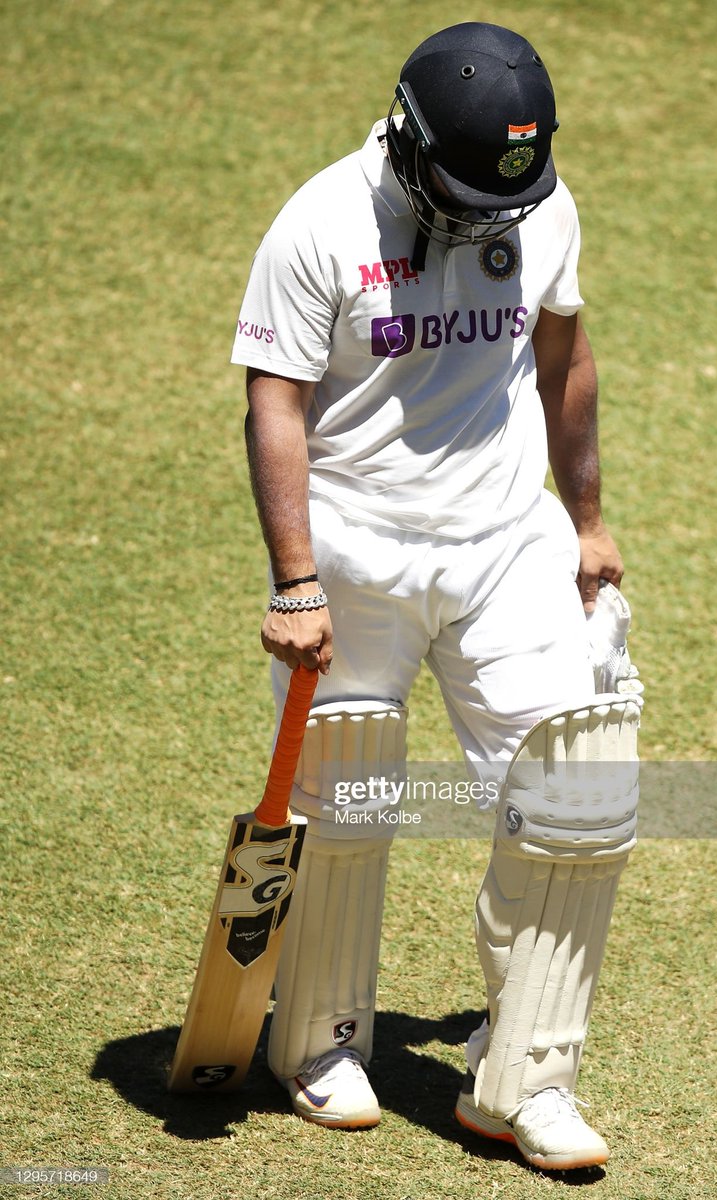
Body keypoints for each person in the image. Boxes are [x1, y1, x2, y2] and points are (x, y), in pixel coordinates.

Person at [231, 21, 643, 1173]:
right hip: (354, 556)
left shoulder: (537, 207)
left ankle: (523, 1078)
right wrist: (295, 580)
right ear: (409, 142)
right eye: (465, 194)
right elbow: (274, 401)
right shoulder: (321, 222)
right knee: (346, 798)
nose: (485, 220)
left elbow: (562, 358)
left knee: (574, 801)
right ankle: (316, 1042)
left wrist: (586, 519)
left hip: (505, 543)